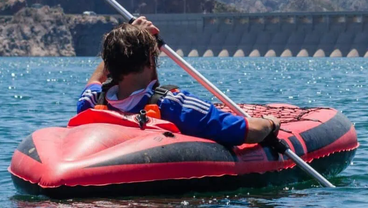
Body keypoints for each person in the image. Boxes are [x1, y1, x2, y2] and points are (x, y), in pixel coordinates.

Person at [78, 16, 280, 146]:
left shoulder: (92, 103)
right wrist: (271, 122)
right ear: (151, 58)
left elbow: (96, 78)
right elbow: (251, 132)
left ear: (109, 62)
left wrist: (128, 37)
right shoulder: (175, 105)